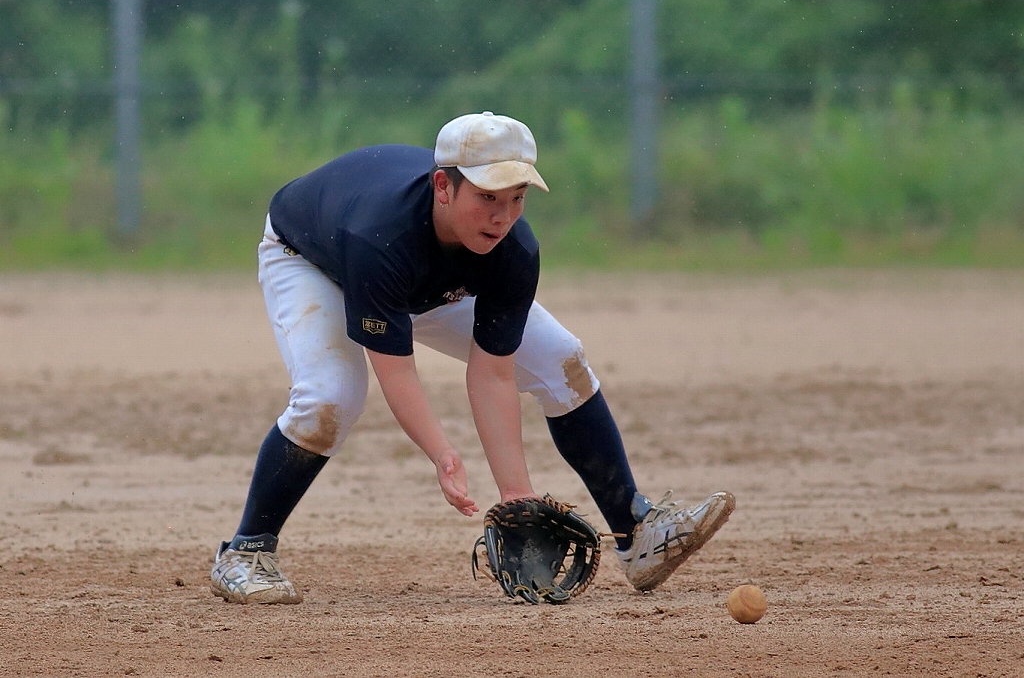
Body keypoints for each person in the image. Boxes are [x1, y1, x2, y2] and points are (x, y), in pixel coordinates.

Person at [210, 111, 735, 604]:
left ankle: (637, 532)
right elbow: (394, 367)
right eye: (487, 196)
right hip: (316, 260)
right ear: (444, 186)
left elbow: (494, 373)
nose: (502, 216)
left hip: (430, 280)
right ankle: (246, 551)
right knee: (330, 399)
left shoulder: (511, 249)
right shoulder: (379, 235)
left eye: (517, 197)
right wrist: (443, 453)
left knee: (560, 360)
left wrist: (517, 498)